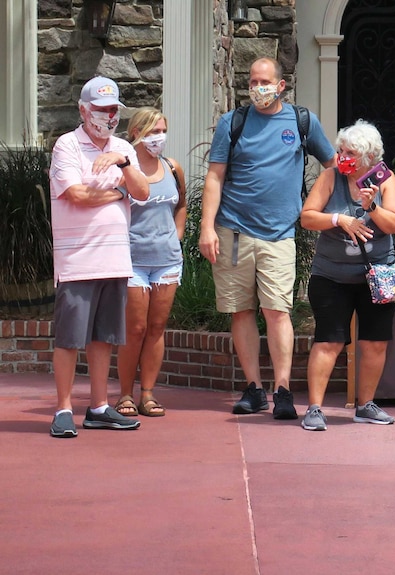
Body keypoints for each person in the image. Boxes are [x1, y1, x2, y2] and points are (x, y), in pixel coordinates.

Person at [199, 57, 337, 420]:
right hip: (233, 231)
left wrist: (317, 209)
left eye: (264, 81)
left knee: (277, 311)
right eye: (252, 81)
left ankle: (283, 389)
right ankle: (254, 389)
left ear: (281, 85)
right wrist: (207, 227)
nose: (257, 88)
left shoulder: (301, 121)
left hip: (279, 234)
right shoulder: (233, 122)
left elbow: (333, 166)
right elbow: (214, 177)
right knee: (241, 311)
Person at [48, 76, 150, 438]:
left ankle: (98, 407)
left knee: (103, 338)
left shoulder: (123, 147)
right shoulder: (67, 146)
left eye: (113, 110)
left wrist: (122, 165)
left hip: (115, 259)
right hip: (77, 261)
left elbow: (142, 191)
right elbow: (76, 194)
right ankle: (63, 409)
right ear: (83, 109)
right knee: (69, 338)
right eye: (101, 109)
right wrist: (116, 195)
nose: (108, 117)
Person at [298, 119, 395, 431]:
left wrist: (371, 208)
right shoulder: (330, 177)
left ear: (370, 158)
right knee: (329, 340)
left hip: (377, 275)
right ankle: (315, 409)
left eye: (351, 153)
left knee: (374, 342)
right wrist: (339, 220)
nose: (343, 156)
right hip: (331, 275)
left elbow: (394, 224)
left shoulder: (384, 180)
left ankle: (365, 405)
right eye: (341, 150)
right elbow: (307, 217)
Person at [114, 108, 187, 417]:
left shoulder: (172, 167)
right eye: (153, 131)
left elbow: (181, 204)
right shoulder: (123, 170)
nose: (159, 137)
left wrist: (177, 236)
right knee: (136, 327)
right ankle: (125, 395)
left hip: (167, 260)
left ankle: (148, 393)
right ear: (136, 134)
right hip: (132, 260)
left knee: (157, 327)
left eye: (162, 130)